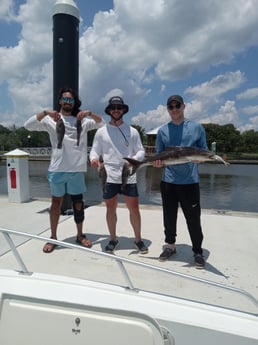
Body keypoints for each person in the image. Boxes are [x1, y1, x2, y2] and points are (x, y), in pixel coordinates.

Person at [24, 86, 104, 253]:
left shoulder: (82, 120)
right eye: (65, 99)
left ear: (74, 103)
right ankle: (52, 237)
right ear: (60, 101)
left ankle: (80, 235)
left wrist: (88, 113)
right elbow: (28, 125)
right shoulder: (50, 120)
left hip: (77, 169)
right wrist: (46, 112)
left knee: (78, 203)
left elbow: (101, 122)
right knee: (56, 204)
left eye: (71, 100)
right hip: (57, 169)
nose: (68, 102)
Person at [90, 96, 148, 254]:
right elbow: (95, 150)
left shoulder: (133, 131)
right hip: (108, 175)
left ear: (123, 110)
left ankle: (138, 239)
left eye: (119, 107)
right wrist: (94, 159)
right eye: (113, 107)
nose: (116, 110)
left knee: (134, 208)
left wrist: (134, 160)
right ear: (109, 110)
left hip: (128, 174)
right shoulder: (101, 131)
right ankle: (113, 238)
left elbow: (141, 151)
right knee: (110, 208)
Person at [154, 95, 207, 268]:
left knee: (193, 218)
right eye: (171, 107)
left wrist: (201, 158)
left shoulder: (197, 127)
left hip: (190, 181)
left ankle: (197, 251)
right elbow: (159, 154)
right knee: (169, 217)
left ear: (184, 106)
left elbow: (204, 150)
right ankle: (170, 246)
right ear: (167, 109)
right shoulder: (162, 131)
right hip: (168, 181)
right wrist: (157, 163)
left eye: (177, 106)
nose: (174, 109)